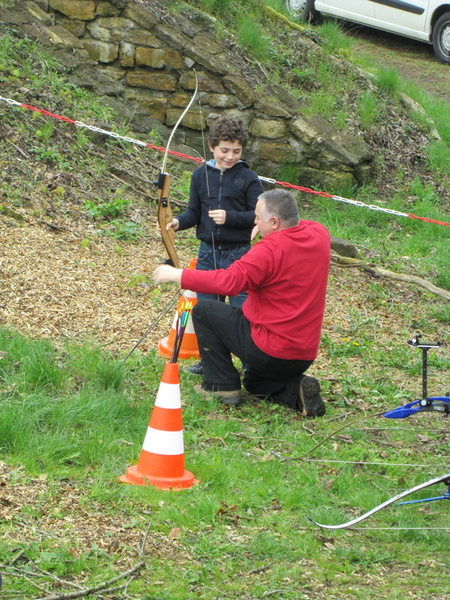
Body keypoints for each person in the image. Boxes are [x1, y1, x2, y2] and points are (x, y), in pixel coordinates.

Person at [153, 188, 330, 417]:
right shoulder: (319, 234)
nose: (254, 222)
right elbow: (295, 223)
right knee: (254, 382)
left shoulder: (268, 250)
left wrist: (177, 275)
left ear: (275, 222)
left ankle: (221, 385)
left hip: (269, 348)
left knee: (205, 310)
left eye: (258, 218)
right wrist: (267, 228)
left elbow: (228, 281)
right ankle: (296, 389)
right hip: (303, 354)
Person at [163, 116, 263, 374]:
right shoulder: (199, 175)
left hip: (239, 255)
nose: (230, 156)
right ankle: (212, 364)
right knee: (207, 310)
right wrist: (177, 222)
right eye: (224, 150)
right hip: (207, 254)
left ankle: (251, 364)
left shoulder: (249, 178)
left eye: (236, 151)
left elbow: (257, 216)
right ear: (212, 147)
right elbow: (193, 213)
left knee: (243, 310)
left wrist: (230, 217)